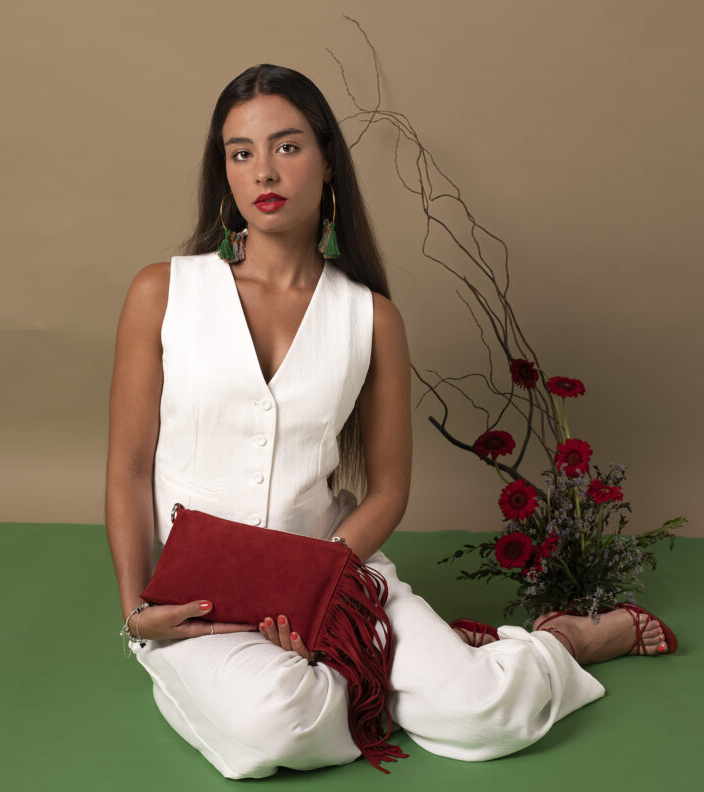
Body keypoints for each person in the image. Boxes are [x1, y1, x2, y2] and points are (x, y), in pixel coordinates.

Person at [105, 64, 676, 780]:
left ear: (328, 162)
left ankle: (563, 642)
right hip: (200, 600)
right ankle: (405, 671)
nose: (264, 171)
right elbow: (129, 467)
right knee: (274, 728)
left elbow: (388, 491)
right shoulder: (163, 291)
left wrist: (316, 588)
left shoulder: (370, 317)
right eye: (241, 152)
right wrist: (136, 610)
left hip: (335, 574)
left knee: (485, 714)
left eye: (287, 146)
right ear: (224, 171)